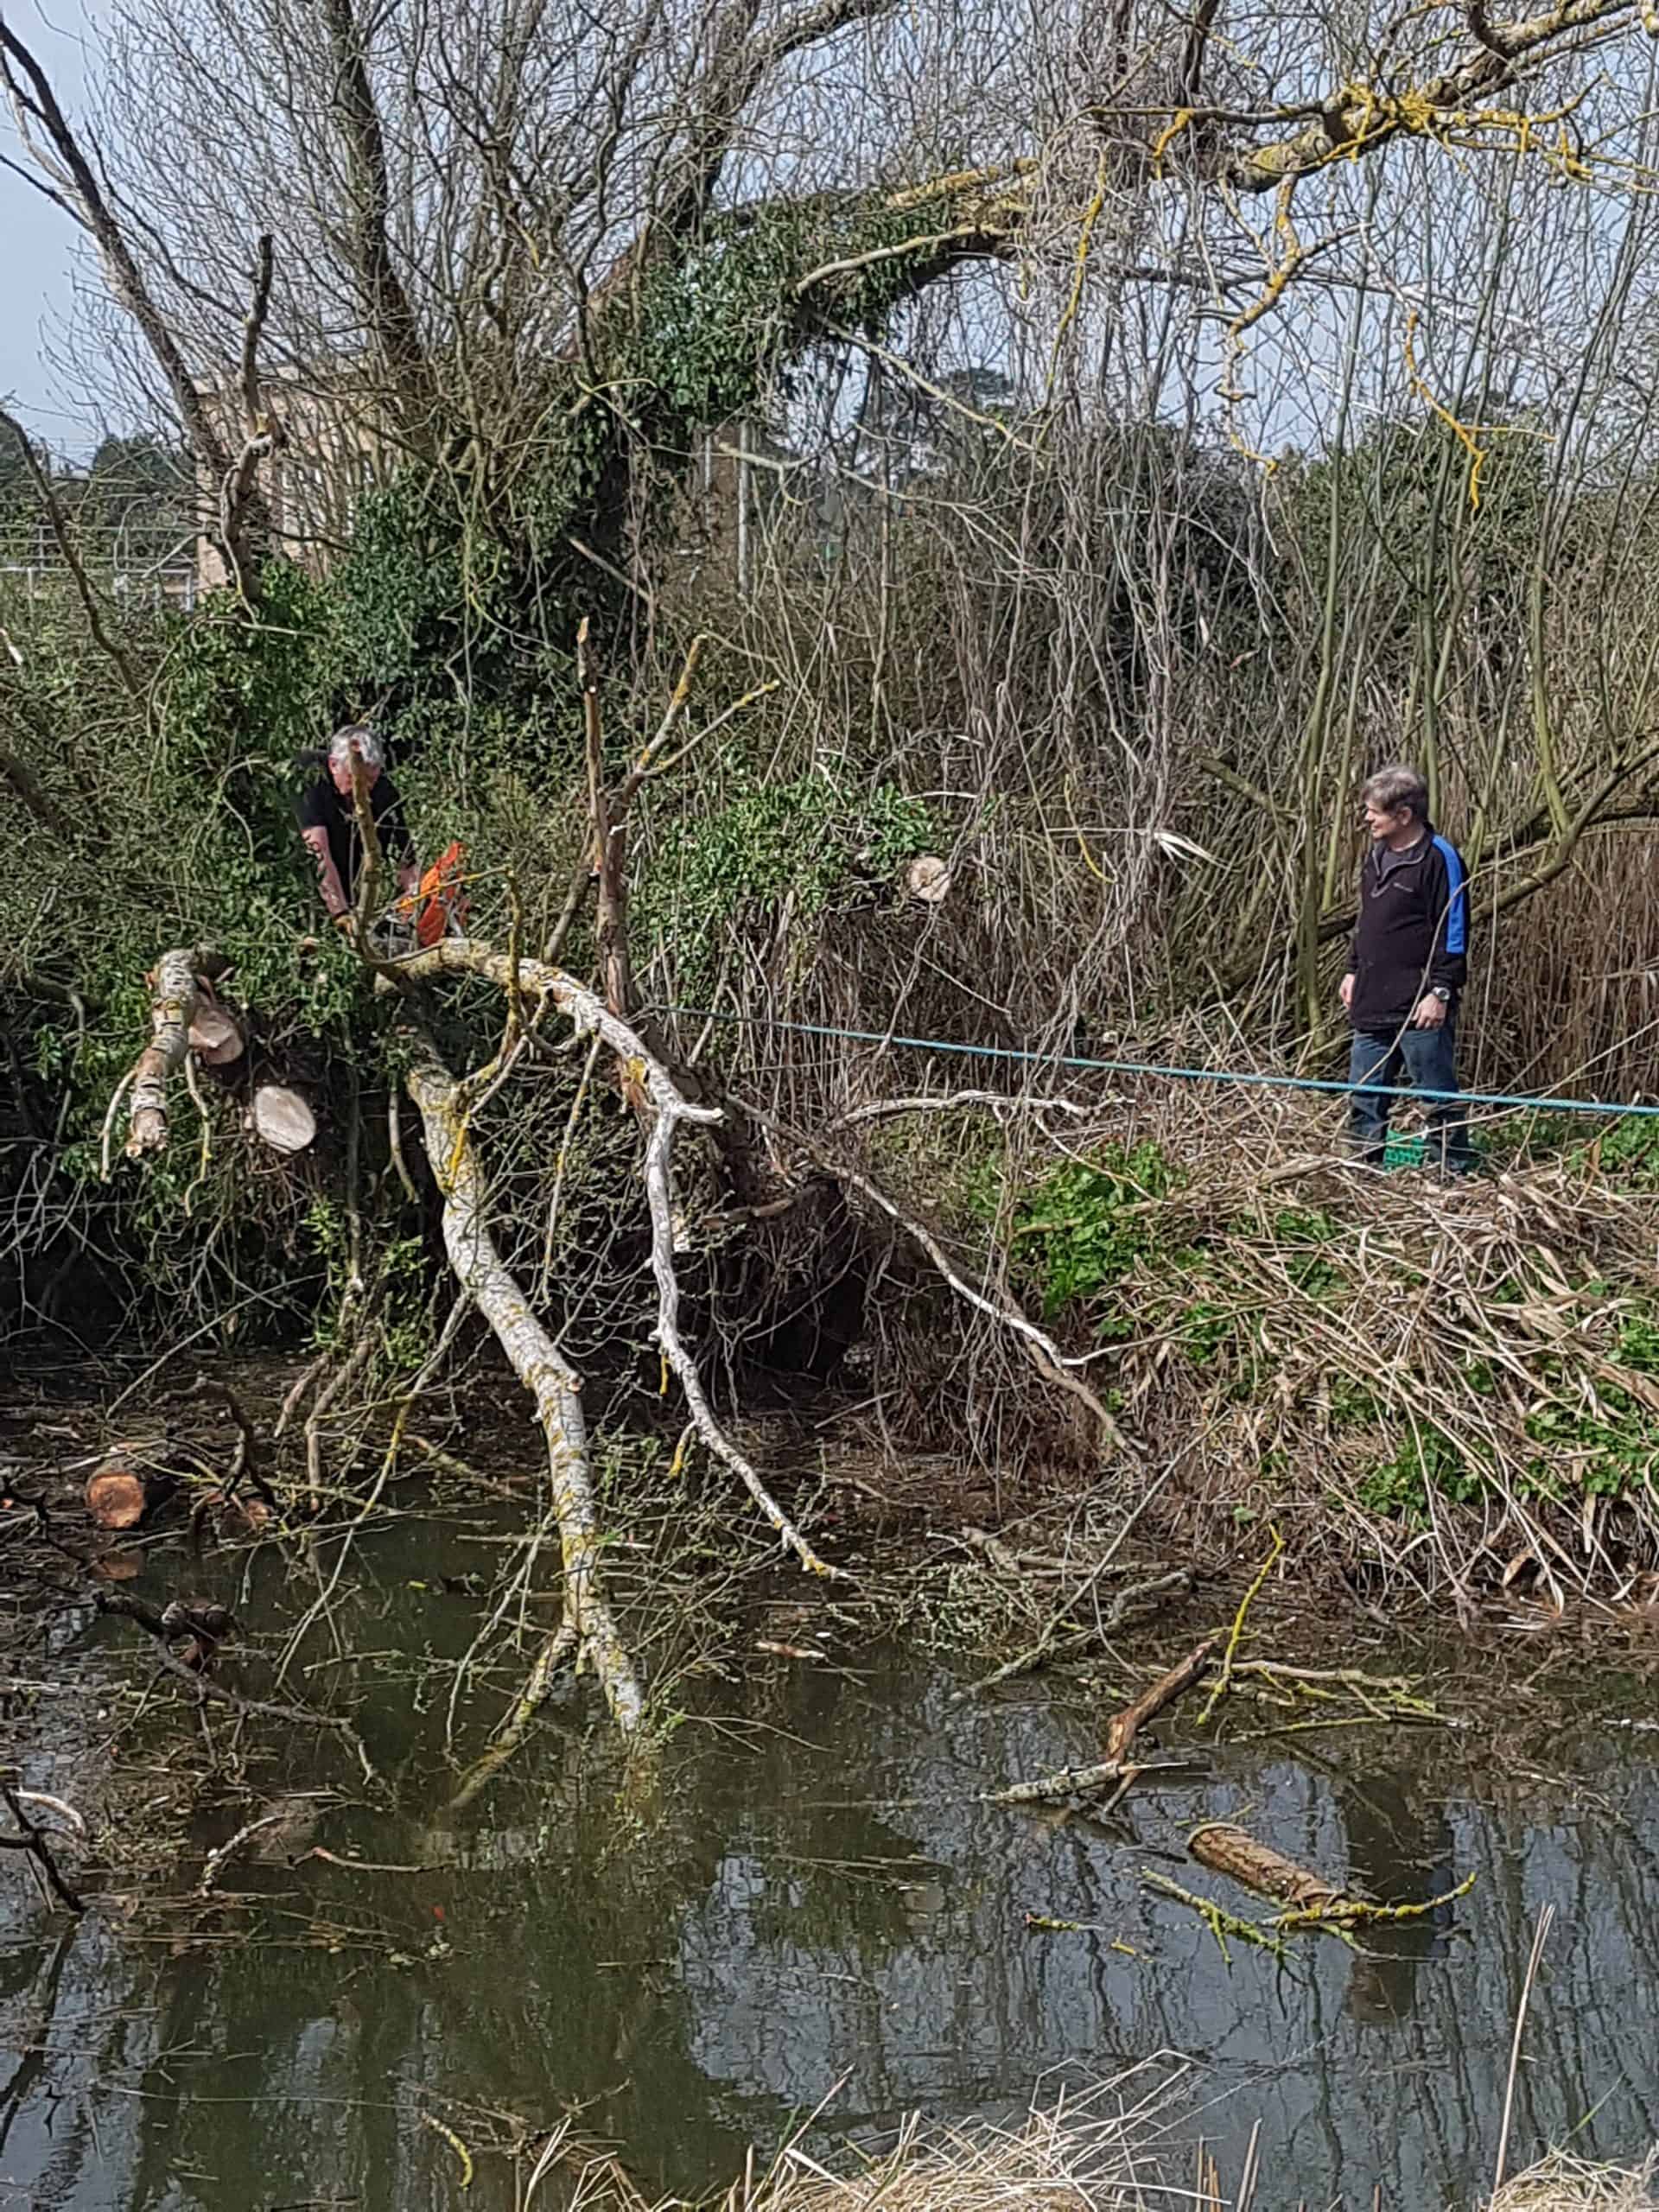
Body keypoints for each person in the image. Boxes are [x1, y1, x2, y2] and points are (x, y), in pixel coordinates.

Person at [1340, 763, 1474, 1174]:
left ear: (1404, 815)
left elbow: (1454, 930)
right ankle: (1363, 1172)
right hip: (1372, 997)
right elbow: (1370, 921)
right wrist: (1353, 969)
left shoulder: (1441, 859)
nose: (1366, 819)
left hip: (1421, 1007)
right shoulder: (1376, 855)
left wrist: (1441, 991)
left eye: (1374, 812)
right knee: (1364, 1096)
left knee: (1436, 1096)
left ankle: (1451, 1173)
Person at [295, 724, 418, 928]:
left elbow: (405, 857)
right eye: (357, 780)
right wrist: (340, 914)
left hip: (351, 889)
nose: (365, 789)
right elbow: (317, 852)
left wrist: (418, 897)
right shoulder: (308, 778)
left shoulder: (383, 791)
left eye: (371, 780)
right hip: (304, 892)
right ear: (334, 765)